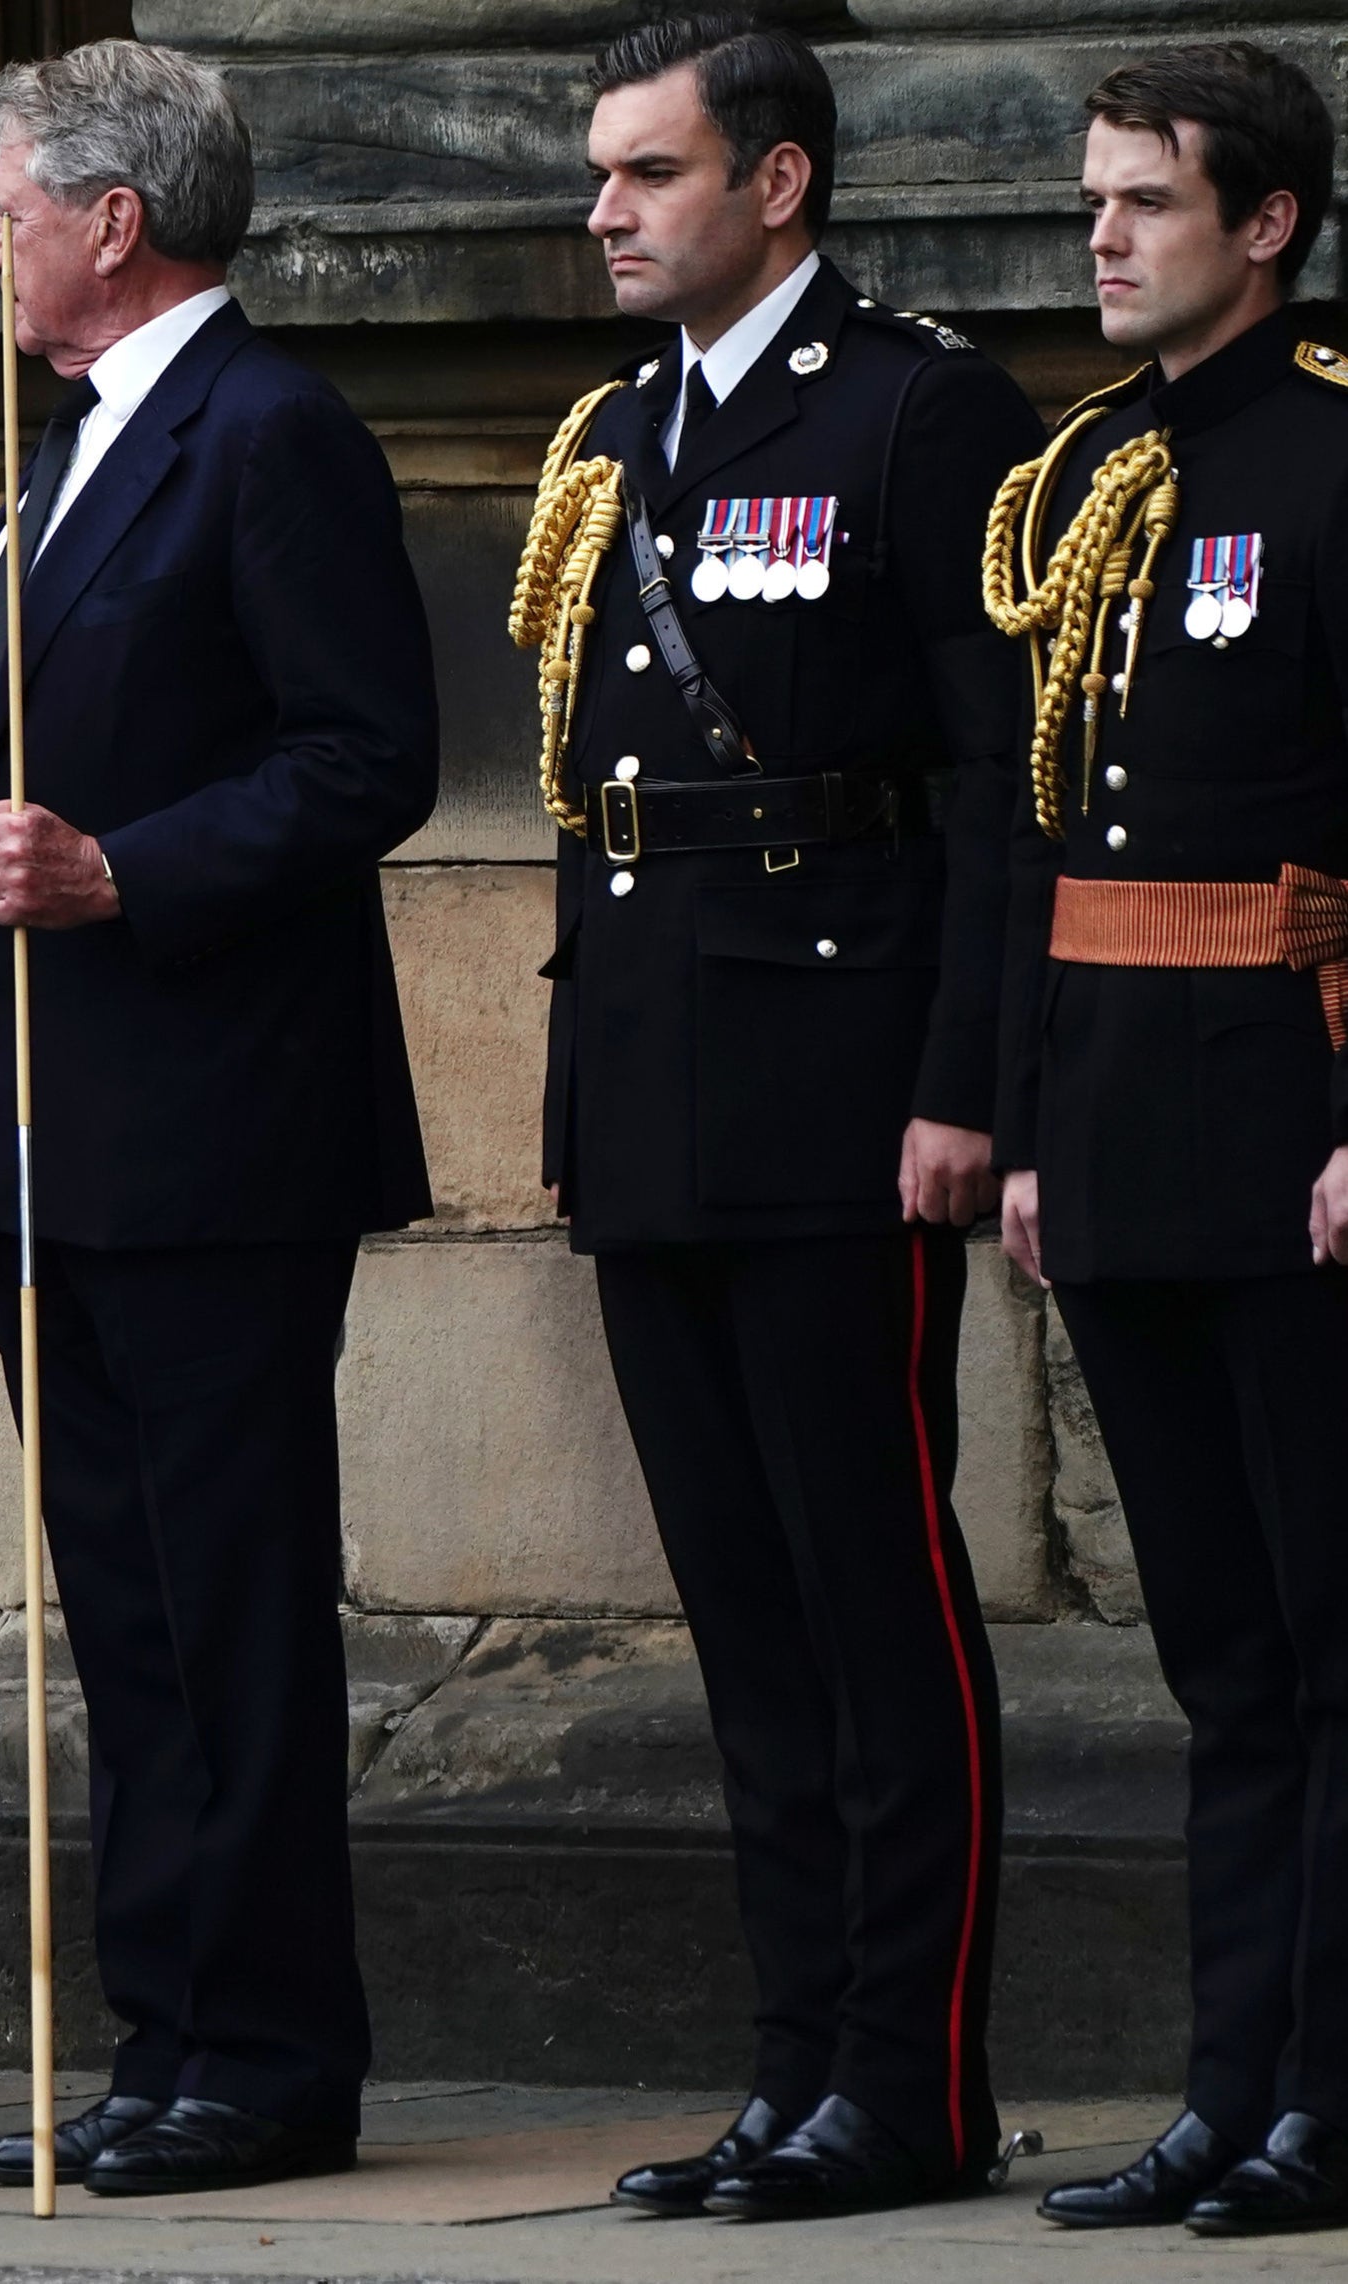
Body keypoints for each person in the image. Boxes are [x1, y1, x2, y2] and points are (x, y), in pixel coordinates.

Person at [0, 40, 436, 2197]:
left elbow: (360, 753)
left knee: (227, 1600)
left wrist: (125, 870)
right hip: (36, 1132)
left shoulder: (263, 430)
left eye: (7, 205)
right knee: (118, 1606)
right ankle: (165, 2029)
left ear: (117, 219)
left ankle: (269, 2048)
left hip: (208, 1135)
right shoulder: (53, 447)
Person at [509, 14, 1043, 2223]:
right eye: (600, 176)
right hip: (651, 1087)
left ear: (776, 185)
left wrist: (960, 1090)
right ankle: (788, 2060)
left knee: (869, 1591)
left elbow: (997, 793)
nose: (605, 212)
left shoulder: (915, 410)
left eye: (645, 173)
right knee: (736, 1609)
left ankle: (906, 2080)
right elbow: (589, 802)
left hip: (838, 1094)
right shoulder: (614, 431)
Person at [988, 45, 1348, 2240]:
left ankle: (1325, 2086)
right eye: (1094, 199)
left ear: (1266, 224)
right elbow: (1042, 831)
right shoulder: (1090, 475)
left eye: (1145, 202)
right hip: (1123, 1122)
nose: (1101, 235)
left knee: (1327, 1649)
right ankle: (1225, 2089)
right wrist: (1034, 1125)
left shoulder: (1323, 459)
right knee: (1214, 1659)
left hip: (1289, 1128)